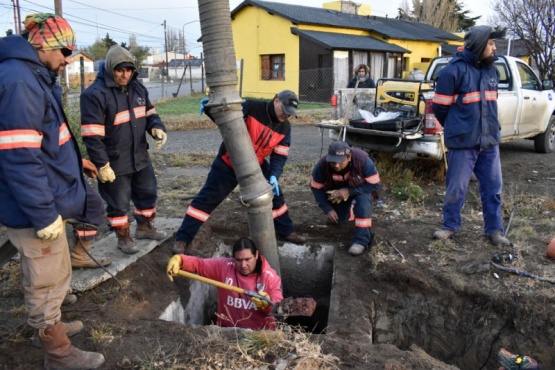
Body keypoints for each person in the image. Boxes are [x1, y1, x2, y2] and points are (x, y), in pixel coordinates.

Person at [0, 13, 105, 369]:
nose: (67, 58)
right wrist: (43, 213)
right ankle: (57, 352)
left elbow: (46, 143)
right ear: (42, 44)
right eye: (64, 50)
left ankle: (50, 325)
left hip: (44, 197)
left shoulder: (33, 76)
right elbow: (19, 157)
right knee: (45, 276)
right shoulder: (20, 82)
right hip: (33, 206)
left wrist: (77, 165)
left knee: (57, 267)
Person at [172, 90, 306, 254]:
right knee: (206, 200)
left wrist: (274, 176)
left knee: (276, 198)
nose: (287, 115)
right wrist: (210, 109)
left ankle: (286, 232)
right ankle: (182, 239)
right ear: (276, 101)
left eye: (290, 113)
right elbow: (226, 121)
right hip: (229, 163)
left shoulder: (285, 127)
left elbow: (280, 155)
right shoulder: (252, 107)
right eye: (285, 110)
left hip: (256, 165)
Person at [80, 44, 169, 254]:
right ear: (111, 68)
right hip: (114, 161)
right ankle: (123, 237)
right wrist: (102, 165)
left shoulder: (138, 89)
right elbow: (92, 136)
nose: (124, 75)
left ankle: (145, 228)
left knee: (147, 193)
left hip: (140, 156)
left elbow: (150, 114)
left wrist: (157, 128)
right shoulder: (94, 95)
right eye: (120, 70)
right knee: (118, 203)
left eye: (128, 70)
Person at [431, 25, 511, 246]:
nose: (495, 47)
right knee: (456, 188)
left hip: (490, 142)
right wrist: (458, 127)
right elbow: (440, 108)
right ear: (479, 44)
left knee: (493, 189)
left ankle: (494, 231)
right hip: (463, 143)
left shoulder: (492, 71)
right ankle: (450, 226)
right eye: (491, 43)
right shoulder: (452, 71)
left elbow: (490, 106)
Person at [167, 237, 283, 330]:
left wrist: (268, 304)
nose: (243, 265)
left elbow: (279, 306)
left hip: (260, 334)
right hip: (228, 332)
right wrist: (180, 260)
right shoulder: (224, 267)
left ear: (256, 255)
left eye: (248, 259)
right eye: (238, 260)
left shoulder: (269, 277)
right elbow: (200, 264)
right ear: (233, 258)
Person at [310, 141, 381, 256]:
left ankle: (361, 241)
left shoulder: (362, 160)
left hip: (361, 189)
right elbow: (316, 188)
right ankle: (351, 210)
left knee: (363, 205)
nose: (336, 166)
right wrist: (327, 209)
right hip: (339, 192)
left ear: (349, 157)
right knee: (339, 220)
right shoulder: (322, 165)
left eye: (340, 162)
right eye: (333, 162)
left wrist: (349, 191)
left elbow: (375, 184)